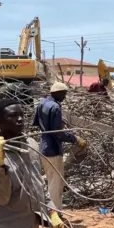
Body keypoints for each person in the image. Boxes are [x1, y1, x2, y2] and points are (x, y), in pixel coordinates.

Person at [0, 98, 64, 228]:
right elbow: (0, 198)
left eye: (21, 115)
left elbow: (39, 183)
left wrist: (52, 212)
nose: (20, 119)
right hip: (6, 226)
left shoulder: (31, 145)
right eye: (13, 116)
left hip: (31, 224)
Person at [32, 82, 87, 211]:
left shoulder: (41, 103)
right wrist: (75, 138)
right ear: (57, 93)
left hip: (44, 147)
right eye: (64, 94)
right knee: (56, 184)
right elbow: (57, 133)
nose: (65, 97)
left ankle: (50, 211)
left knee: (51, 180)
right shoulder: (55, 107)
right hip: (53, 150)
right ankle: (55, 213)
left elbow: (35, 122)